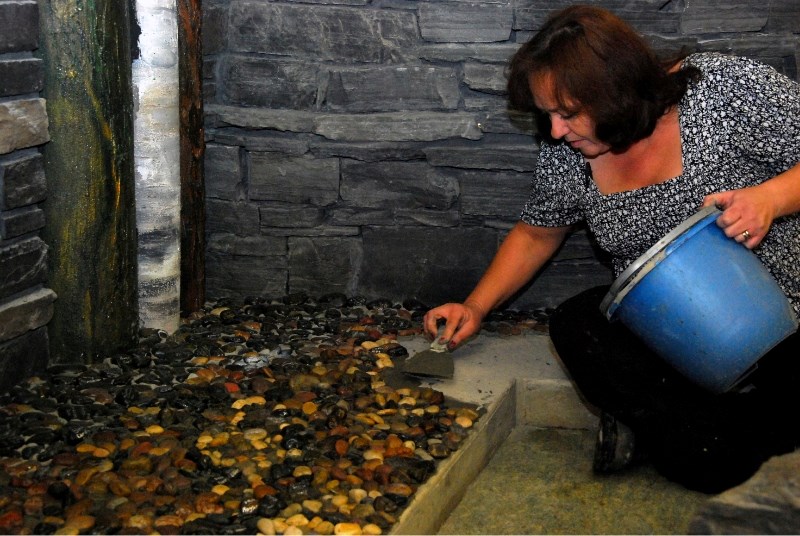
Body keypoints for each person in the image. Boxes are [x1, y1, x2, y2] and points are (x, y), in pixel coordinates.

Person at [423, 4, 800, 494]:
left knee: (726, 448)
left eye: (567, 112)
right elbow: (539, 231)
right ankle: (728, 436)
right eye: (547, 114)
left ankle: (704, 433)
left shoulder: (722, 89)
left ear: (616, 92)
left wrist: (770, 198)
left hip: (782, 320)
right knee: (579, 323)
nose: (555, 131)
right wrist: (474, 306)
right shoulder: (568, 151)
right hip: (674, 335)